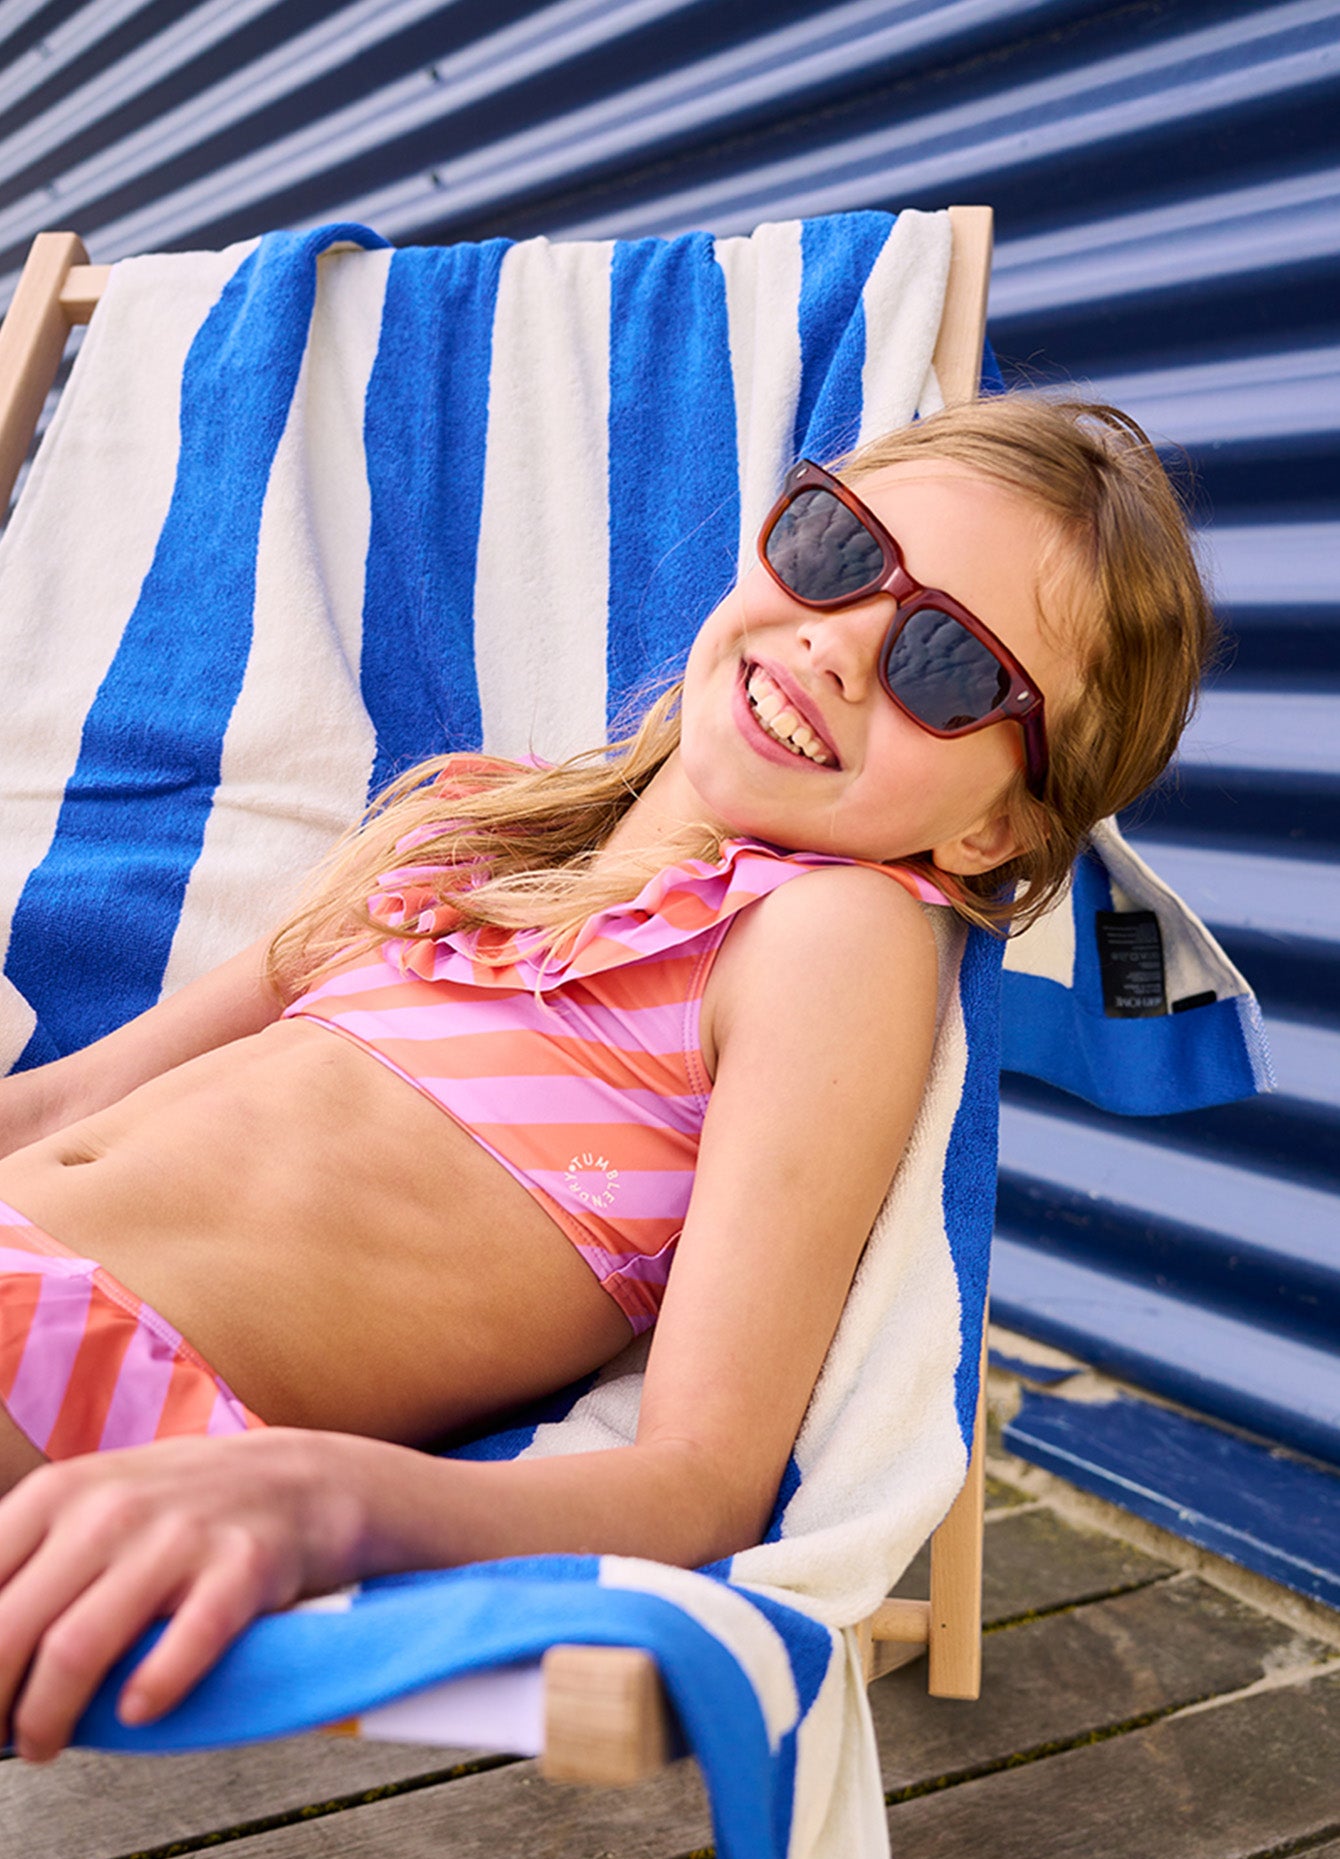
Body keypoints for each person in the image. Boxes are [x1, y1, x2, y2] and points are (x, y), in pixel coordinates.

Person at [0, 394, 1211, 1762]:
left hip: (79, 1369)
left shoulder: (824, 937)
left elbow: (696, 1481)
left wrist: (315, 1501)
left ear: (996, 821)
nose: (839, 643)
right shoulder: (466, 833)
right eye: (835, 546)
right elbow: (60, 1103)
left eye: (948, 664)